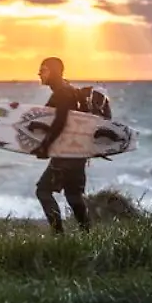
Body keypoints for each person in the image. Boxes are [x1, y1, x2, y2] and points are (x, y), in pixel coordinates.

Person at [31, 57, 91, 235]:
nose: (39, 74)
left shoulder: (62, 93)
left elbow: (60, 121)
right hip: (77, 152)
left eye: (43, 70)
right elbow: (52, 119)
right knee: (73, 196)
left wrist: (45, 146)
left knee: (43, 191)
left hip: (66, 154)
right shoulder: (67, 89)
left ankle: (59, 235)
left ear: (53, 71)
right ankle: (87, 235)